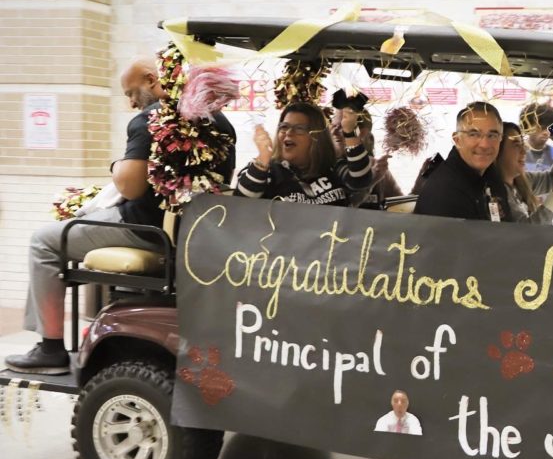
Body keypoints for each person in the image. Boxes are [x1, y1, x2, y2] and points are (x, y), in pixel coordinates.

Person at [5, 57, 237, 374]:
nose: (130, 103)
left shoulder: (151, 120)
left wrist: (116, 167)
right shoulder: (220, 122)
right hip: (193, 235)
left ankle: (50, 348)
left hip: (144, 229)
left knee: (44, 241)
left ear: (152, 79)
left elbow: (129, 185)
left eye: (132, 92)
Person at [235, 101, 372, 205]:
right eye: (284, 127)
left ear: (316, 136)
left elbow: (361, 179)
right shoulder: (266, 170)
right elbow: (241, 205)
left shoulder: (333, 167)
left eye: (299, 129)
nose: (288, 133)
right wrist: (263, 158)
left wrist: (350, 132)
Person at [413, 101, 509, 221]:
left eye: (492, 135)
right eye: (474, 134)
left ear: (501, 139)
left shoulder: (491, 175)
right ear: (457, 140)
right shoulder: (445, 191)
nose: (484, 144)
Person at [496, 122, 553, 224]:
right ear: (497, 150)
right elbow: (527, 232)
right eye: (516, 145)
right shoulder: (495, 194)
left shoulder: (521, 180)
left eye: (523, 145)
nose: (524, 151)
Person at [519, 103, 553, 173]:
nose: (546, 132)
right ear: (527, 127)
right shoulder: (517, 152)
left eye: (549, 128)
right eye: (541, 128)